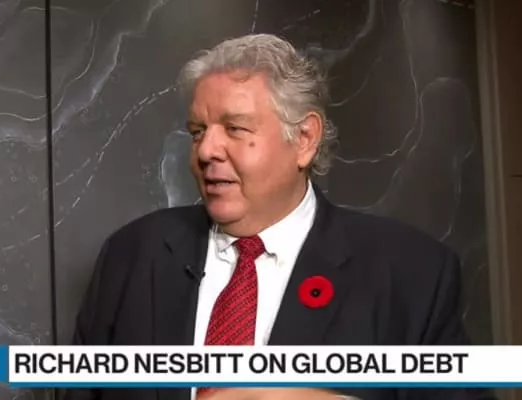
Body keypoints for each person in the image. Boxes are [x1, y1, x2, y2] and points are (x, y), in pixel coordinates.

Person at [64, 34, 496, 400]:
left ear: (304, 139)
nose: (206, 151)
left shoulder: (413, 274)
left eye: (235, 129)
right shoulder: (131, 255)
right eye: (198, 131)